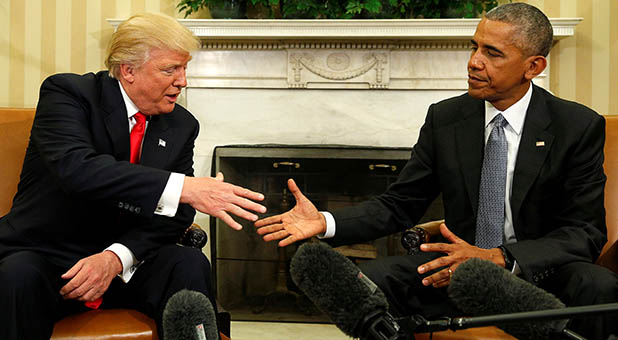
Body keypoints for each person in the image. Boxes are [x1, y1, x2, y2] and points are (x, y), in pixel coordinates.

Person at [255, 3, 618, 339]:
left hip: (539, 274)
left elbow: (584, 232)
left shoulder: (575, 126)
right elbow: (400, 203)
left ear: (533, 66)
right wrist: (326, 221)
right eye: (474, 47)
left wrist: (502, 258)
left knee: (598, 286)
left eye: (492, 53)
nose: (474, 62)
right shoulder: (446, 118)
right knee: (369, 281)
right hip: (453, 270)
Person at [0, 13, 266, 340]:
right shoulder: (69, 94)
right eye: (170, 70)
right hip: (50, 257)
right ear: (128, 70)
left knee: (188, 263)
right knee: (17, 274)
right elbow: (78, 170)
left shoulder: (181, 124)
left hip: (125, 264)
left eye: (185, 69)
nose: (183, 81)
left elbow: (177, 214)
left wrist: (116, 257)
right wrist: (183, 187)